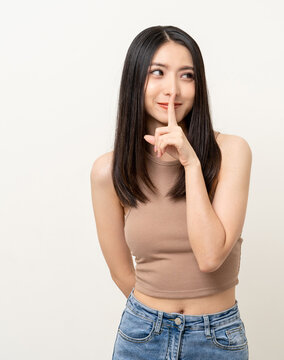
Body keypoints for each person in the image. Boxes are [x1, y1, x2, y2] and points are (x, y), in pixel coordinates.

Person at [90, 25, 252, 359]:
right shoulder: (109, 170)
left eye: (187, 75)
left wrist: (191, 164)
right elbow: (121, 273)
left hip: (216, 338)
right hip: (142, 336)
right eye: (158, 73)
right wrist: (153, 319)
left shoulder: (231, 152)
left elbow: (210, 256)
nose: (173, 89)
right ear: (136, 81)